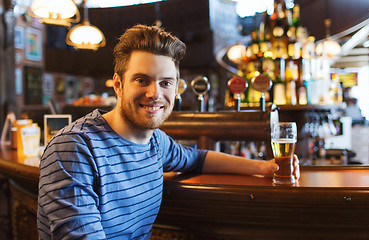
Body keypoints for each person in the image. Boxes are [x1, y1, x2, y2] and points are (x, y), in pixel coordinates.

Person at [37, 24, 299, 240]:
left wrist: (264, 167)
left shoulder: (155, 143)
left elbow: (198, 158)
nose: (155, 94)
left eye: (165, 83)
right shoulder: (74, 148)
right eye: (142, 80)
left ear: (175, 90)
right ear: (118, 85)